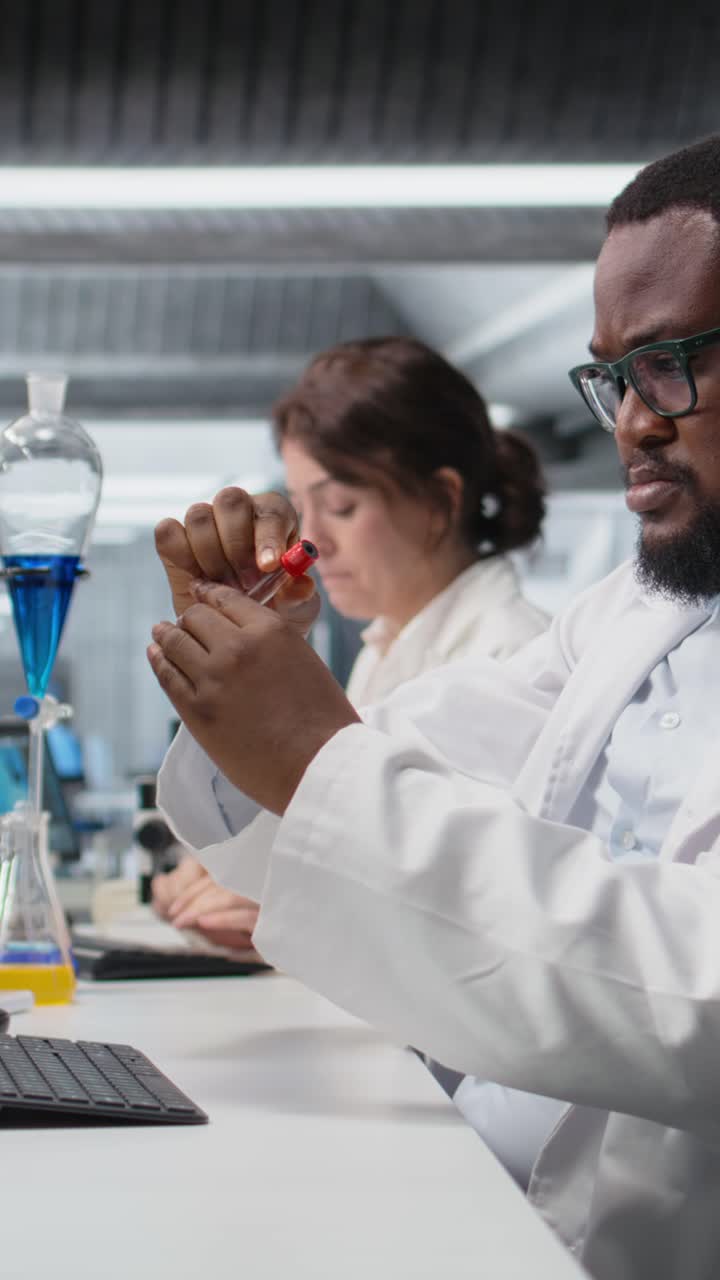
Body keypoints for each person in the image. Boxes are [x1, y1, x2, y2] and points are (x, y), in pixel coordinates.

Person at [149, 135, 720, 1280]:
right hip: (484, 1205)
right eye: (615, 374)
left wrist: (308, 750)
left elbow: (698, 991)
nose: (633, 422)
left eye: (671, 363)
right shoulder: (636, 609)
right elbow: (402, 768)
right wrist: (245, 689)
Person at [151, 336, 548, 955]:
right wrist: (230, 868)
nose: (312, 541)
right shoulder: (384, 648)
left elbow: (484, 910)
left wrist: (291, 907)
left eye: (340, 505)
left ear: (441, 500)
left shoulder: (516, 655)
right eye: (302, 505)